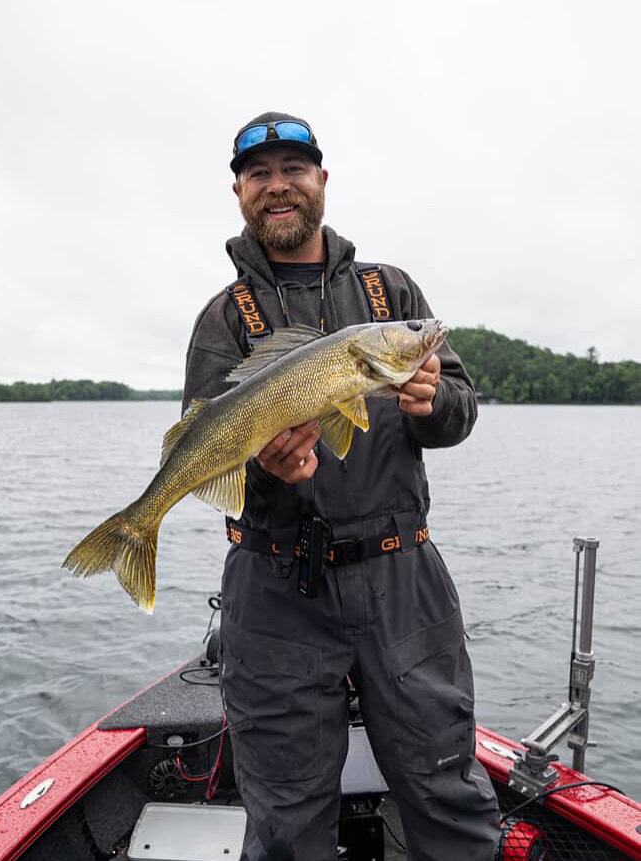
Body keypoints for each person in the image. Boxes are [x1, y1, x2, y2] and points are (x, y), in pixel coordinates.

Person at [183, 112, 500, 861]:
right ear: (239, 193)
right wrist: (269, 474)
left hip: (403, 580)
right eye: (259, 174)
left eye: (294, 168)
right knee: (287, 822)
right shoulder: (225, 318)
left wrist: (434, 406)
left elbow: (458, 405)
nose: (278, 186)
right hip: (275, 590)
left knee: (447, 791)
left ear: (322, 181)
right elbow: (215, 462)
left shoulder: (392, 296)